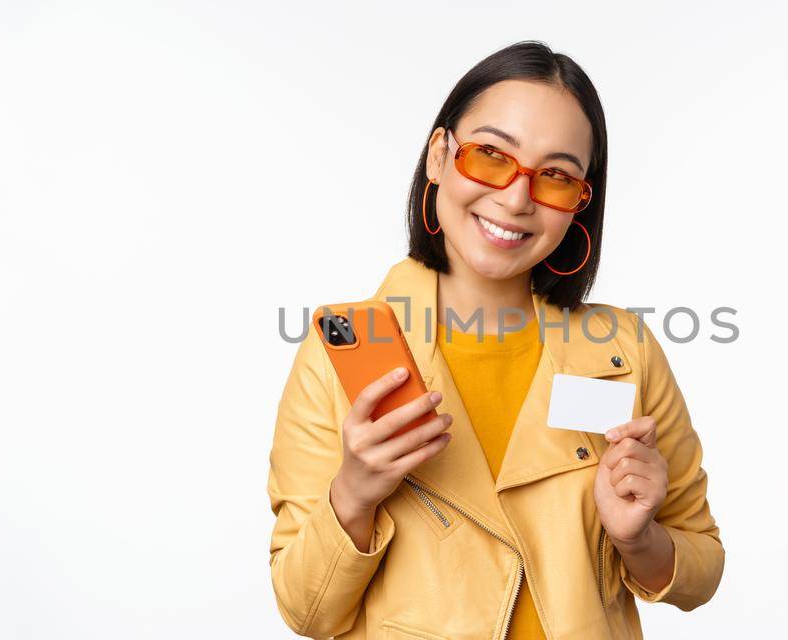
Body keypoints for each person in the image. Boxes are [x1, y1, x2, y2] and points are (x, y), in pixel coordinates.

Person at [267, 41, 724, 639]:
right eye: (490, 155)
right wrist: (352, 496)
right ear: (438, 156)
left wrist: (639, 538)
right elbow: (306, 612)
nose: (515, 199)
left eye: (556, 177)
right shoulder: (345, 348)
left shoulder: (624, 350)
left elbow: (702, 568)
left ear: (579, 205)